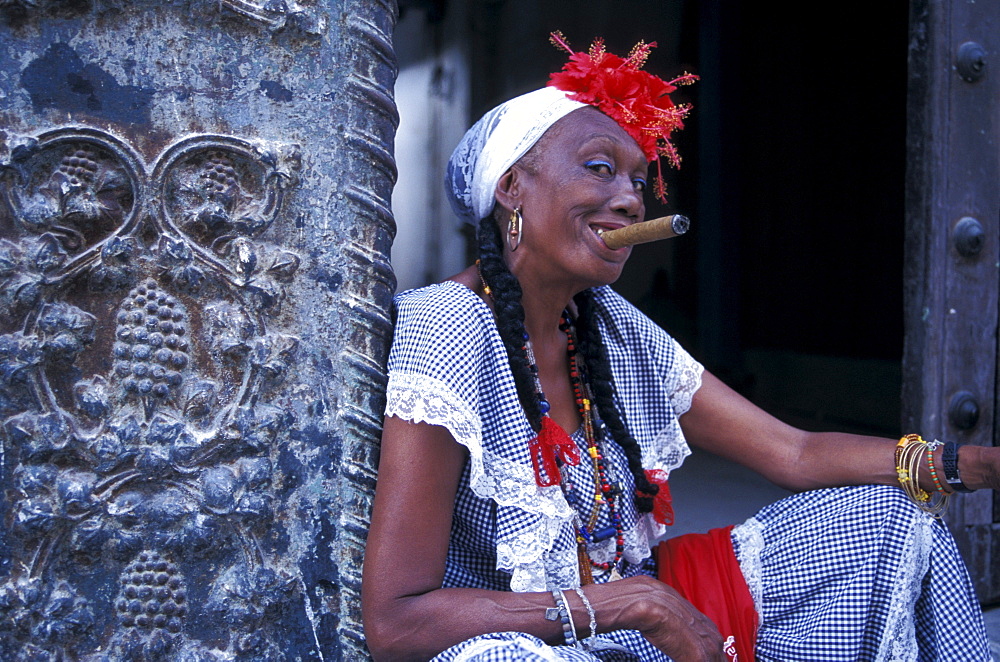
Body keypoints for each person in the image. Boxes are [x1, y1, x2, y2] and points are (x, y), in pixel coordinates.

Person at [361, 33, 1000, 662]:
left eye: (639, 180)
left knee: (889, 518)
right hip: (534, 640)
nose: (630, 199)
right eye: (600, 167)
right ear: (511, 188)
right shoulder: (443, 330)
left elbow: (793, 451)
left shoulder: (603, 322)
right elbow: (395, 625)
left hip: (640, 622)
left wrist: (966, 465)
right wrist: (628, 605)